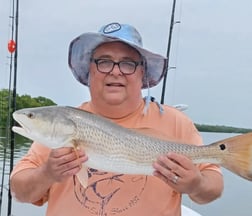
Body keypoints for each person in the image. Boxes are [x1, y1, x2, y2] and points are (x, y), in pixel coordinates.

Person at [10, 22, 223, 216]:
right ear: (89, 70)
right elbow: (19, 193)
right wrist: (47, 173)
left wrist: (195, 185)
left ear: (143, 73)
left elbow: (212, 189)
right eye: (104, 62)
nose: (115, 72)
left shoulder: (176, 122)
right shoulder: (62, 127)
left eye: (128, 63)